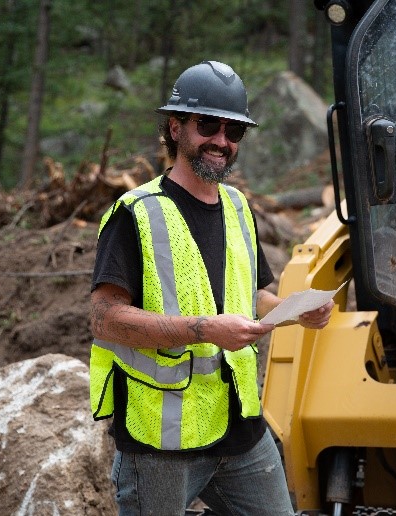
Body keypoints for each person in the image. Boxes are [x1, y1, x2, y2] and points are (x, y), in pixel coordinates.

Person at [89, 60, 334, 515]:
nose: (221, 140)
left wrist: (291, 310)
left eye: (234, 131)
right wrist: (202, 329)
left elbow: (250, 294)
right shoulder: (135, 213)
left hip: (239, 427)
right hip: (159, 443)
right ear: (176, 127)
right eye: (208, 125)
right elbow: (104, 320)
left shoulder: (239, 208)